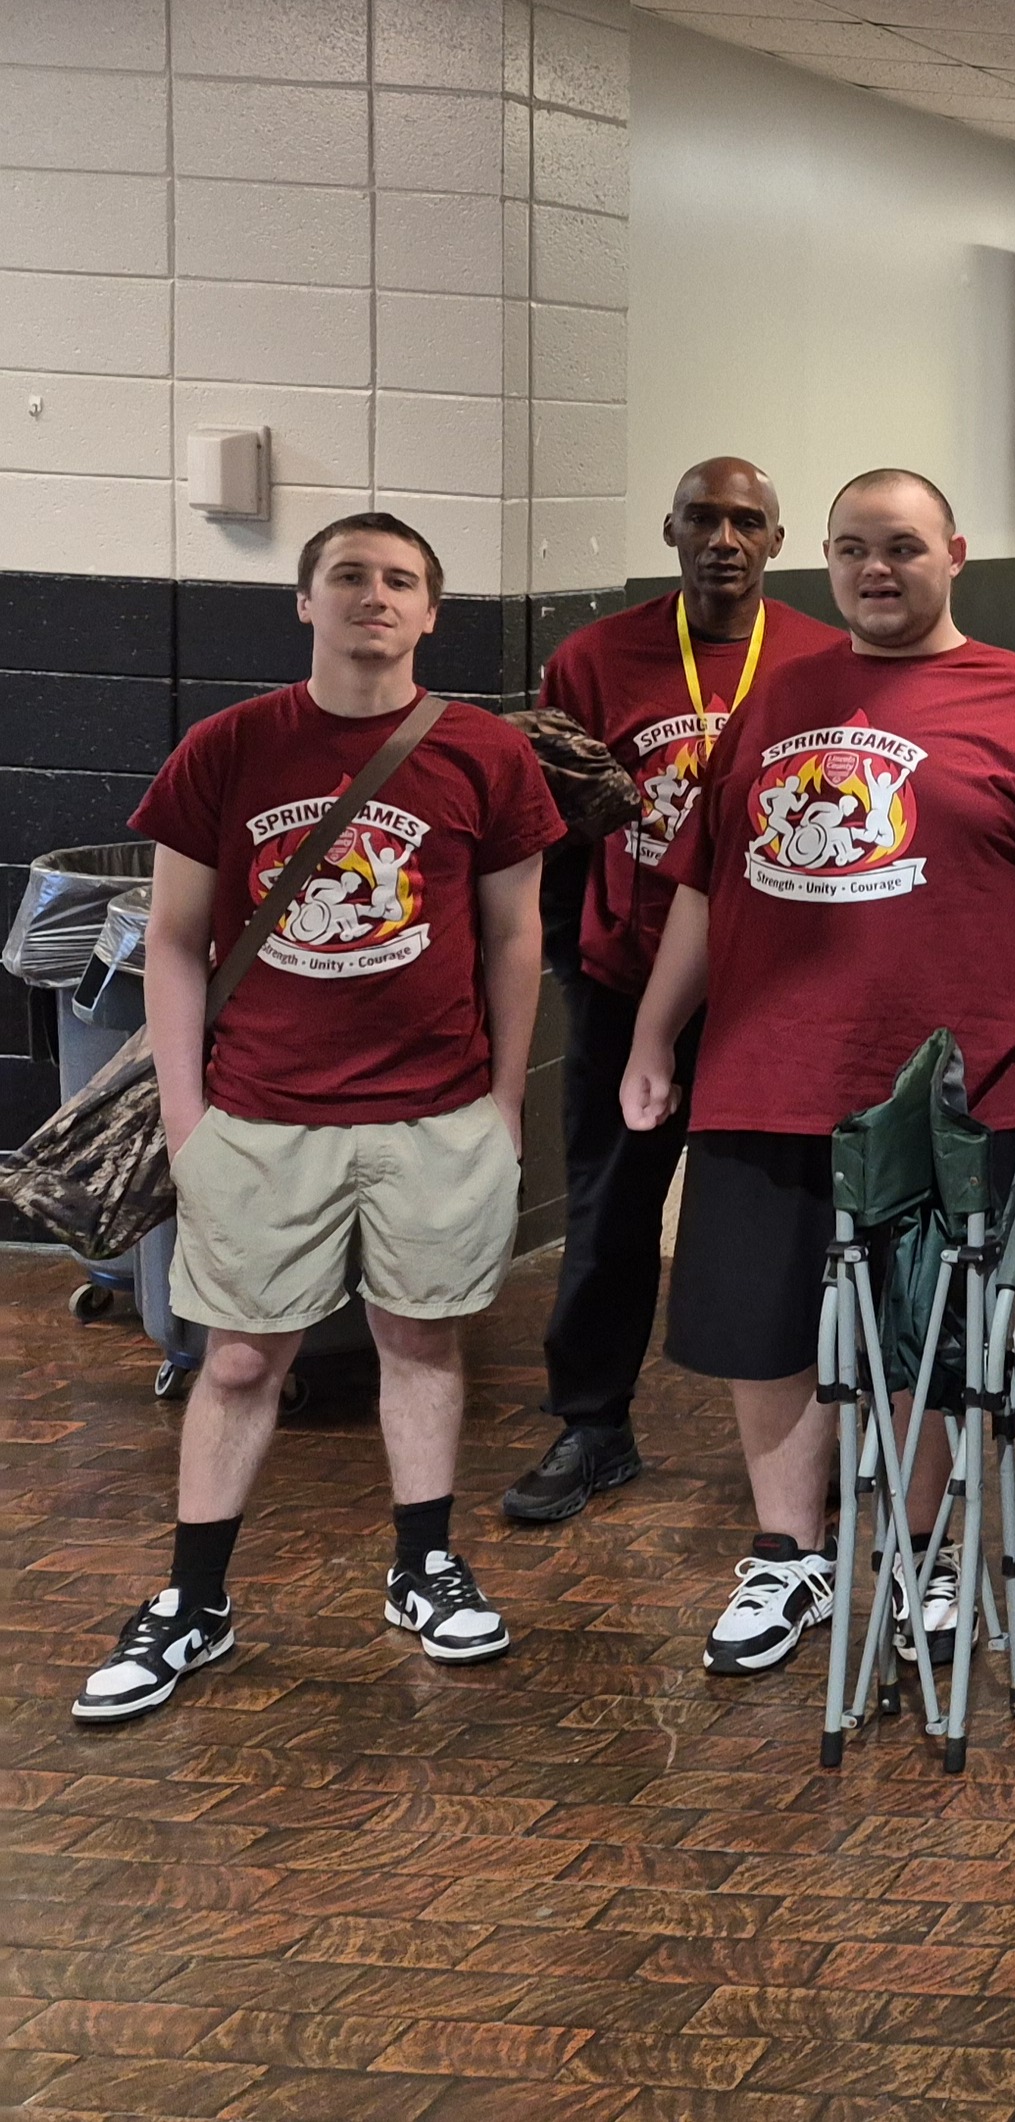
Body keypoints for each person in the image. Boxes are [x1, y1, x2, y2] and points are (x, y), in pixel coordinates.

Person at [623, 468, 1015, 1679]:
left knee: (927, 1333)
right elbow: (706, 882)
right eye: (851, 548)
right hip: (770, 1070)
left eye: (900, 545)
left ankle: (923, 1547)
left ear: (956, 553)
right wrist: (652, 1034)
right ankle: (787, 1554)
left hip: (957, 1086)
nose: (874, 569)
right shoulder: (784, 692)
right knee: (766, 1329)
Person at [77, 513, 567, 1723]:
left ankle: (424, 1565)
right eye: (348, 575)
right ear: (305, 601)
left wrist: (505, 1100)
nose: (373, 596)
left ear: (431, 612)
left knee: (422, 1340)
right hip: (262, 1113)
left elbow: (515, 937)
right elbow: (174, 942)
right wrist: (187, 1114)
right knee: (241, 1358)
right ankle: (194, 1600)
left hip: (436, 1111)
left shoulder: (485, 753)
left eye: (400, 580)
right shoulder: (230, 747)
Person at [506, 460, 847, 1528]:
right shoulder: (594, 659)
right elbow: (551, 826)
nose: (723, 540)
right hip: (629, 982)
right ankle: (591, 1423)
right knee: (610, 1210)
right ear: (671, 530)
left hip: (773, 993)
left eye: (747, 521)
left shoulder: (823, 657)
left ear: (777, 540)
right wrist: (582, 958)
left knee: (799, 1222)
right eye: (703, 518)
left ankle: (823, 1434)